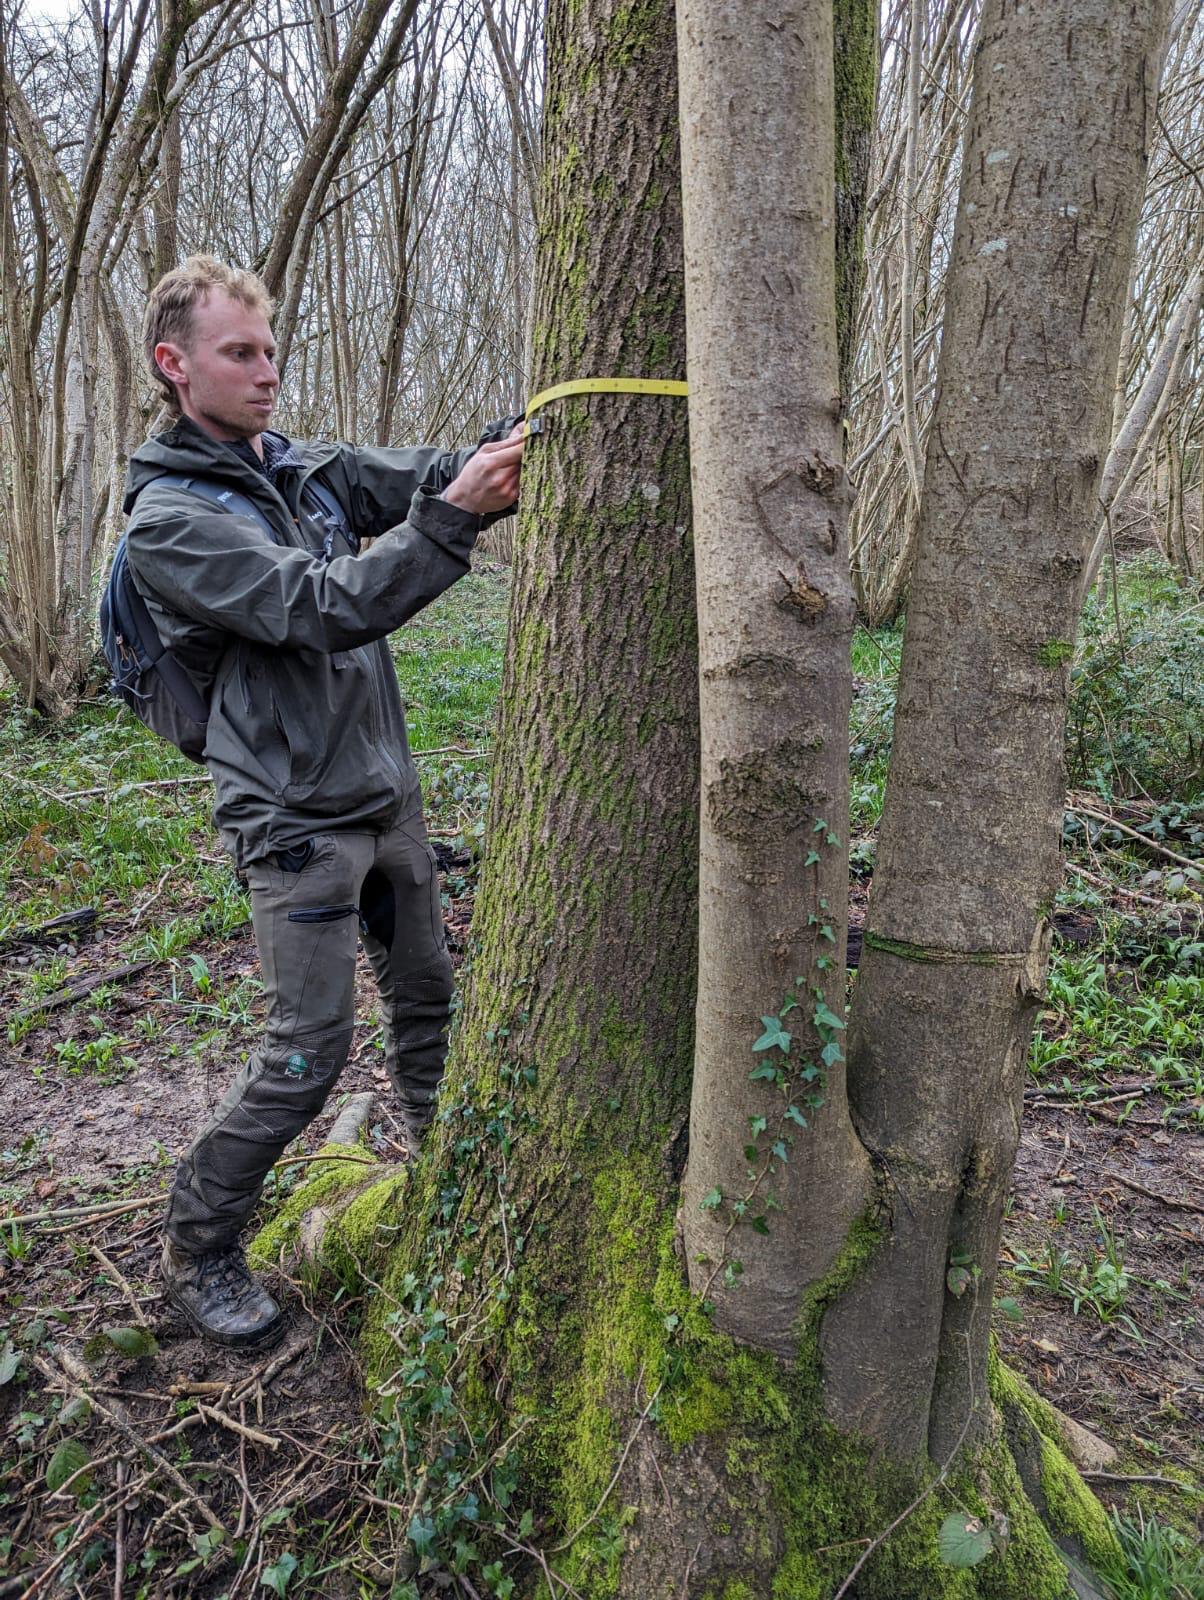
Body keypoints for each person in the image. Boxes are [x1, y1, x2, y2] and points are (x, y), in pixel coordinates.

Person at [123, 256, 524, 1349]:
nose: (268, 372)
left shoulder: (299, 470)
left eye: (270, 350)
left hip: (384, 795)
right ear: (175, 365)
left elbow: (416, 473)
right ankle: (200, 1240)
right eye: (240, 353)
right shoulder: (171, 521)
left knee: (431, 1006)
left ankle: (449, 1192)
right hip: (294, 822)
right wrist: (453, 518)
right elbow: (320, 605)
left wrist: (499, 451)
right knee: (307, 1052)